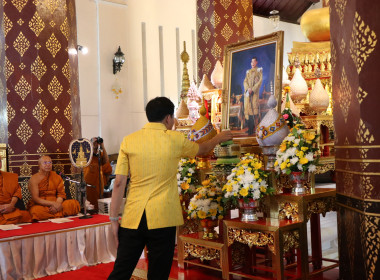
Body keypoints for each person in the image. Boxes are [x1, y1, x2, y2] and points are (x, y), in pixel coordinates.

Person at [107, 97, 232, 280]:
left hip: (133, 217)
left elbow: (118, 183)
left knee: (121, 271)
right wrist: (219, 137)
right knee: (158, 273)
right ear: (168, 118)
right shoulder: (175, 139)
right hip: (162, 217)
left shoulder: (129, 140)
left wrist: (113, 219)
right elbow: (203, 149)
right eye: (173, 118)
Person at [28, 155, 80, 221]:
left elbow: (61, 194)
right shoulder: (34, 178)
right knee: (35, 211)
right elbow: (36, 199)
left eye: (50, 163)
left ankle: (54, 213)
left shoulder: (56, 176)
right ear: (39, 165)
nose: (48, 165)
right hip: (42, 205)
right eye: (45, 163)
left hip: (56, 203)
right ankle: (58, 213)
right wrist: (53, 204)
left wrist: (57, 205)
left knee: (74, 204)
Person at [0, 156, 31, 224]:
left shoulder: (10, 176)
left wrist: (11, 205)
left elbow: (17, 192)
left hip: (9, 209)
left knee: (26, 215)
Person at [83, 137, 112, 211]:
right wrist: (91, 145)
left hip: (99, 186)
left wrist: (102, 146)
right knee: (91, 207)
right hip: (89, 186)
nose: (96, 144)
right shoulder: (87, 155)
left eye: (96, 142)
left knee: (99, 205)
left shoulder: (99, 155)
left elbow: (105, 161)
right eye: (94, 142)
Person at [243, 57, 263, 135]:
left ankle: (254, 128)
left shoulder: (259, 71)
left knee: (254, 109)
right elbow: (245, 81)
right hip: (248, 93)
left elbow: (259, 81)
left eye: (254, 62)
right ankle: (250, 128)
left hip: (254, 93)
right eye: (251, 62)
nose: (252, 63)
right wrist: (248, 89)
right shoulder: (248, 72)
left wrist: (253, 89)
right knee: (248, 109)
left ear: (256, 62)